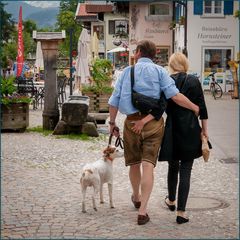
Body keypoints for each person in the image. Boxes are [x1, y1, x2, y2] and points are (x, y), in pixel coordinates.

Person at [108, 40, 199, 225]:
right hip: (153, 124)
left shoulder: (127, 72)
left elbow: (114, 100)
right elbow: (174, 96)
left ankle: (136, 196)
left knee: (134, 164)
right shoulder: (160, 72)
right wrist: (194, 107)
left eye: (135, 51)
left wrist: (111, 123)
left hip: (132, 123)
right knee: (147, 165)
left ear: (140, 52)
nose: (134, 53)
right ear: (153, 54)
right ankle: (143, 211)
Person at [159, 52, 208, 224]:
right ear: (185, 64)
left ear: (171, 65)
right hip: (191, 127)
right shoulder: (194, 81)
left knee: (173, 166)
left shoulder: (167, 81)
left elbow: (161, 106)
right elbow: (202, 109)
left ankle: (171, 200)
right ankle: (181, 212)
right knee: (186, 169)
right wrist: (204, 131)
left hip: (172, 128)